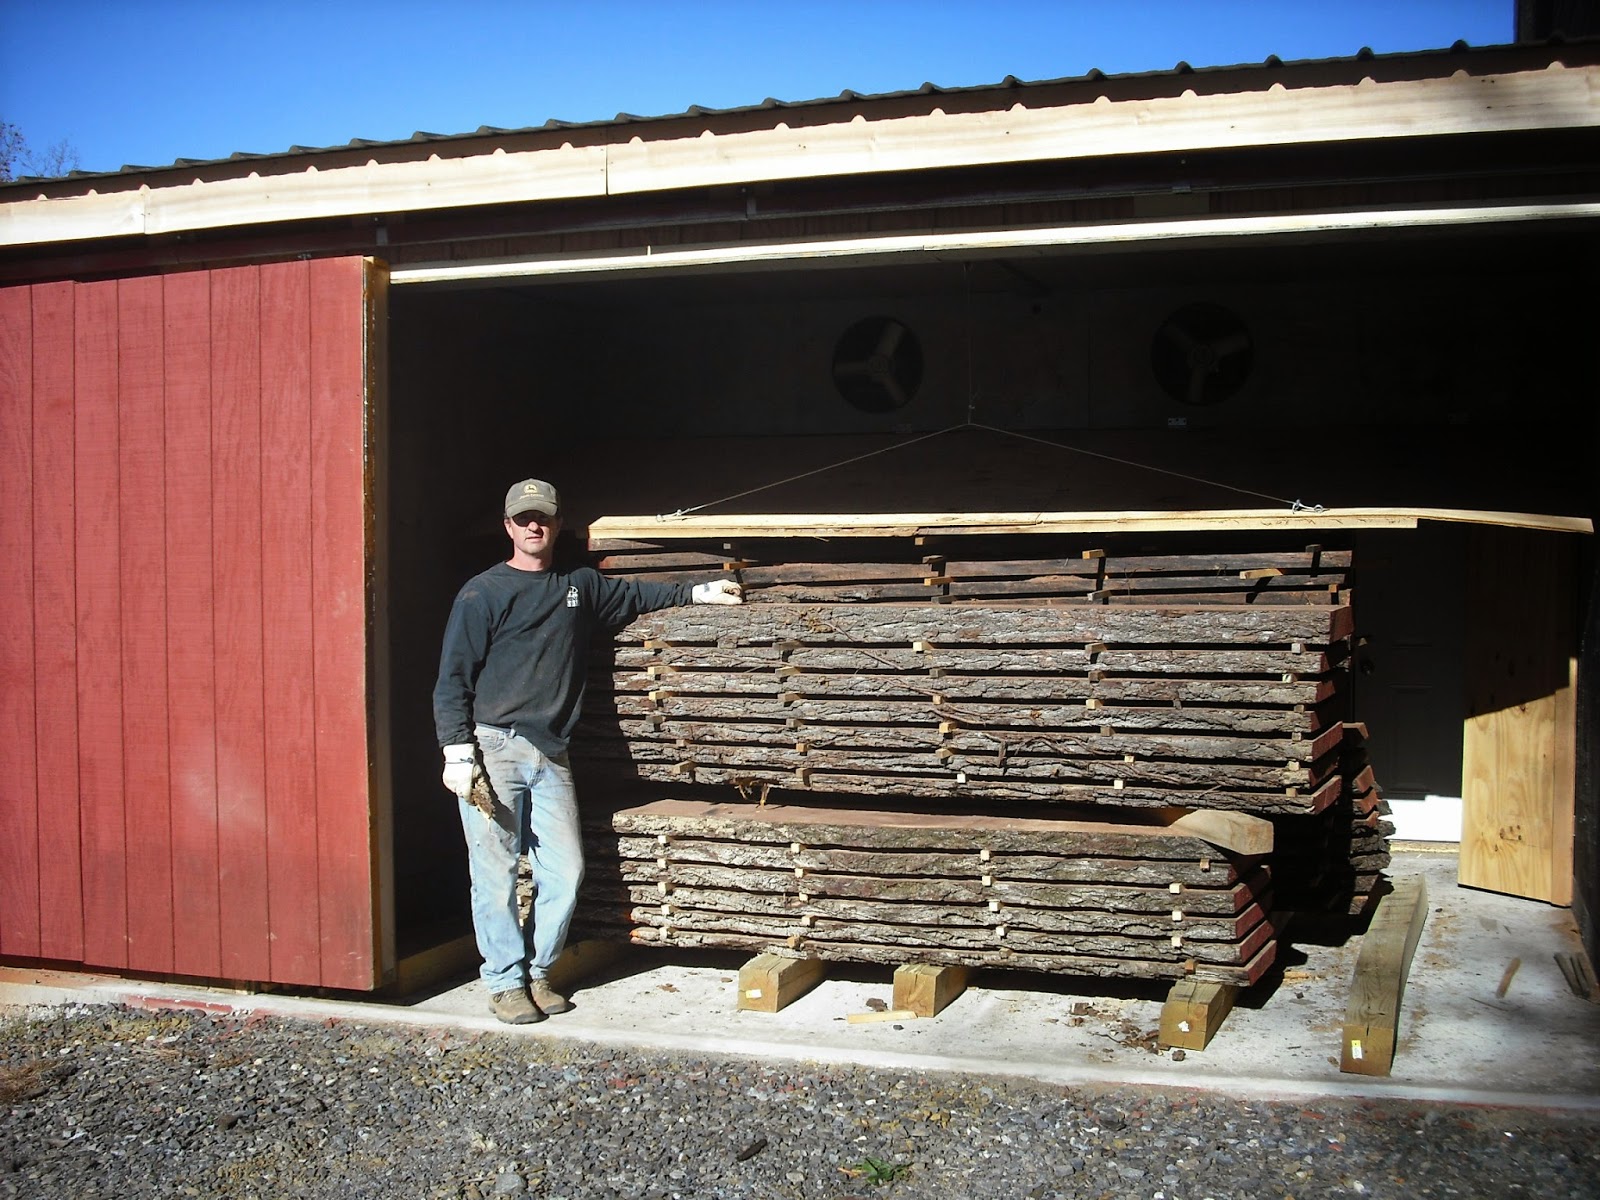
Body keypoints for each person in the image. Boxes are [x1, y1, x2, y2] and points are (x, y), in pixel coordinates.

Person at [433, 477, 743, 1024]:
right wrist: (456, 751)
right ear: (508, 526)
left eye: (544, 518)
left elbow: (637, 595)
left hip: (551, 753)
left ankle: (539, 971)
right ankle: (505, 983)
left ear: (557, 525)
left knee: (566, 870)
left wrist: (697, 591)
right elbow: (452, 679)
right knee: (496, 871)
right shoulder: (482, 594)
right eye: (524, 518)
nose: (535, 526)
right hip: (495, 748)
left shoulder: (576, 585)